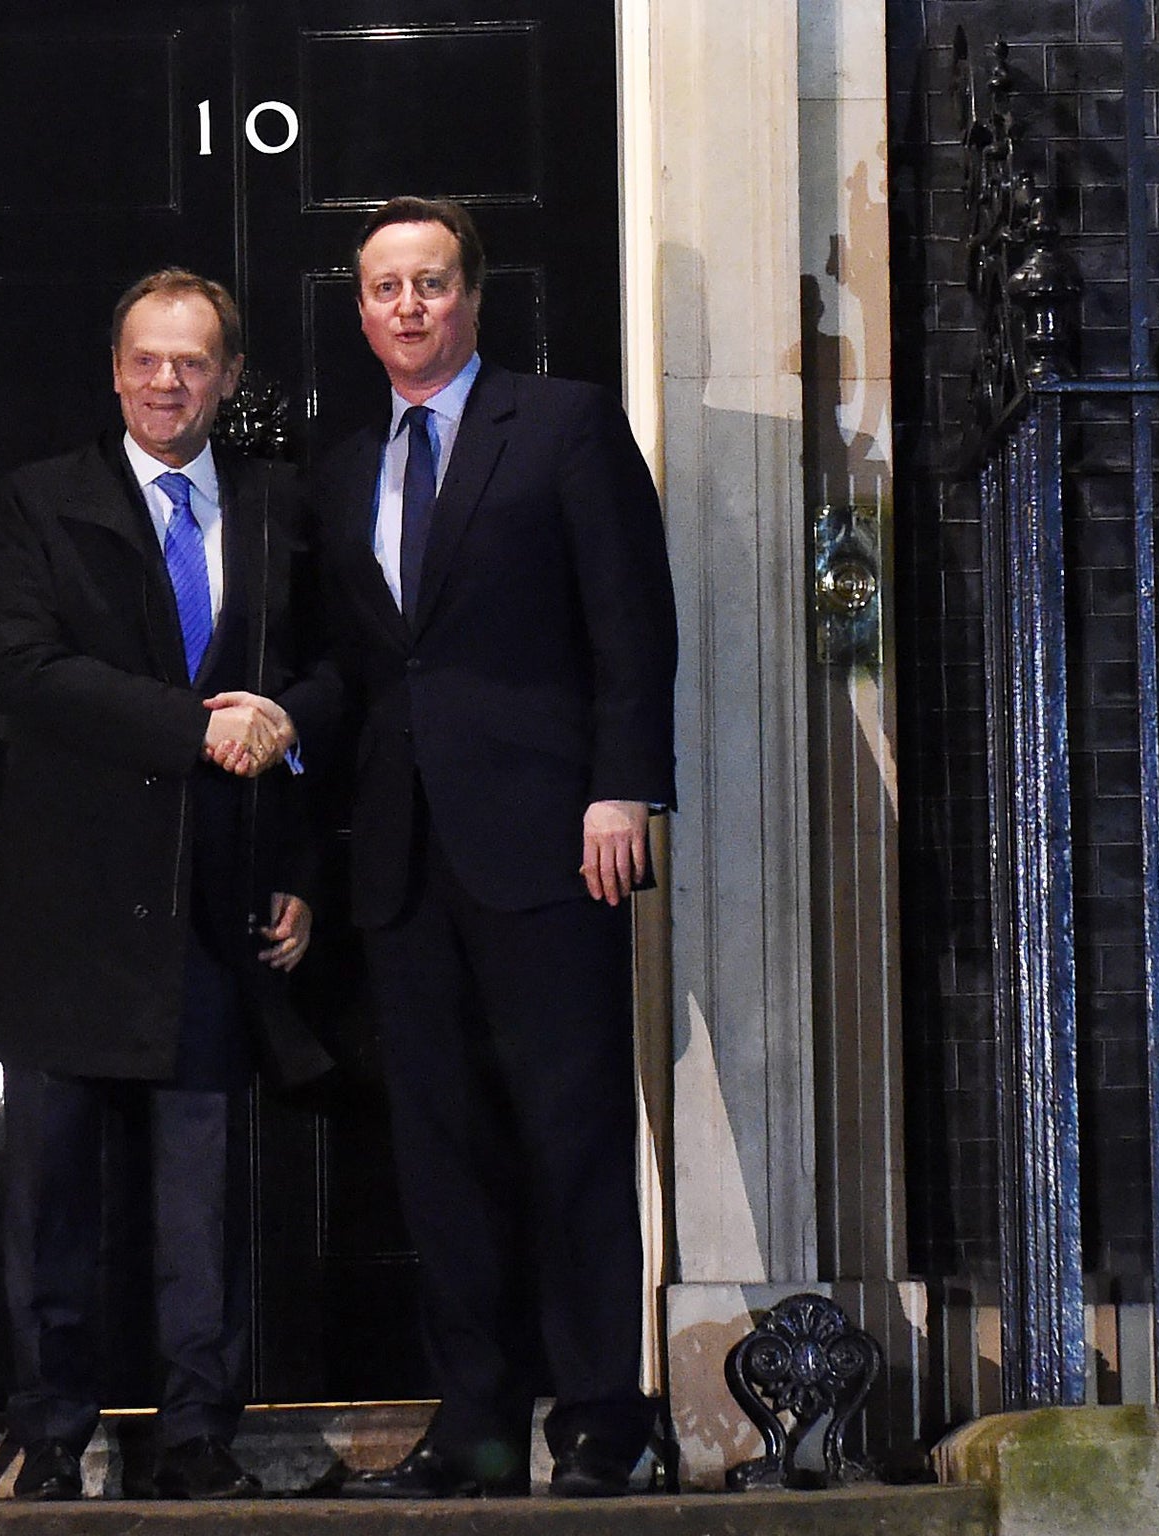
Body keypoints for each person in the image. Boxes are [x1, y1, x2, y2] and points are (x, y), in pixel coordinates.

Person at [312, 197, 677, 1499]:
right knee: (442, 1151)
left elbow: (630, 619)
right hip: (406, 861)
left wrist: (621, 789)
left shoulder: (564, 423)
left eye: (431, 282)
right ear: (360, 313)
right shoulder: (347, 465)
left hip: (551, 842)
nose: (408, 305)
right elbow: (359, 669)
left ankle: (600, 1419)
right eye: (385, 287)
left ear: (472, 296)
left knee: (573, 1133)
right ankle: (474, 1424)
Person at [0, 269, 334, 1501]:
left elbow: (317, 681)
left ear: (229, 377)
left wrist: (295, 863)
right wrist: (195, 728)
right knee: (53, 1204)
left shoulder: (282, 508)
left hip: (214, 904)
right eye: (143, 359)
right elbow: (21, 668)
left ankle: (195, 1440)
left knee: (201, 1205)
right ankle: (51, 1435)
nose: (164, 382)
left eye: (190, 362)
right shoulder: (41, 500)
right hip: (69, 906)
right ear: (114, 368)